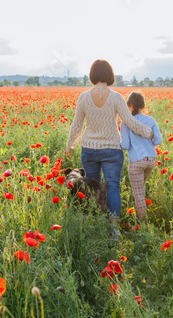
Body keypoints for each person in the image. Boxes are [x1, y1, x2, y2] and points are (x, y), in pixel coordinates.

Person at [66, 60, 153, 234]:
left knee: (92, 188)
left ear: (92, 75)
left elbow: (77, 125)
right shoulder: (115, 97)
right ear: (109, 75)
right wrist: (147, 132)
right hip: (112, 150)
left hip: (89, 149)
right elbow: (129, 121)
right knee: (112, 186)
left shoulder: (83, 97)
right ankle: (114, 229)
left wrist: (70, 145)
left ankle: (96, 223)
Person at [120, 91, 162, 221]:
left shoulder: (126, 122)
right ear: (143, 106)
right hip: (150, 161)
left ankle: (142, 225)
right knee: (140, 189)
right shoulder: (150, 120)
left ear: (129, 105)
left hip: (137, 163)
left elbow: (126, 145)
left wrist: (116, 144)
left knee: (138, 195)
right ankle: (139, 215)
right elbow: (158, 141)